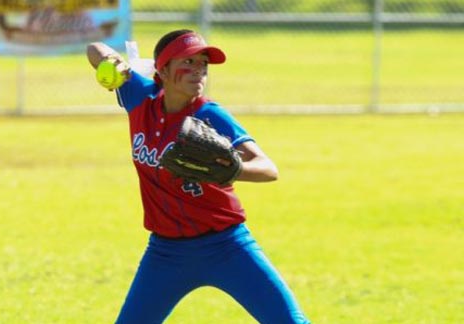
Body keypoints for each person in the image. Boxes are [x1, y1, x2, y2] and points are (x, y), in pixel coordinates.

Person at [86, 29, 310, 324]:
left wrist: (235, 169)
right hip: (165, 253)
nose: (198, 71)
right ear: (163, 70)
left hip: (227, 246)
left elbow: (268, 168)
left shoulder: (210, 115)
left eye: (203, 64)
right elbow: (94, 48)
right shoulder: (140, 97)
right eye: (187, 63)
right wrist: (113, 61)